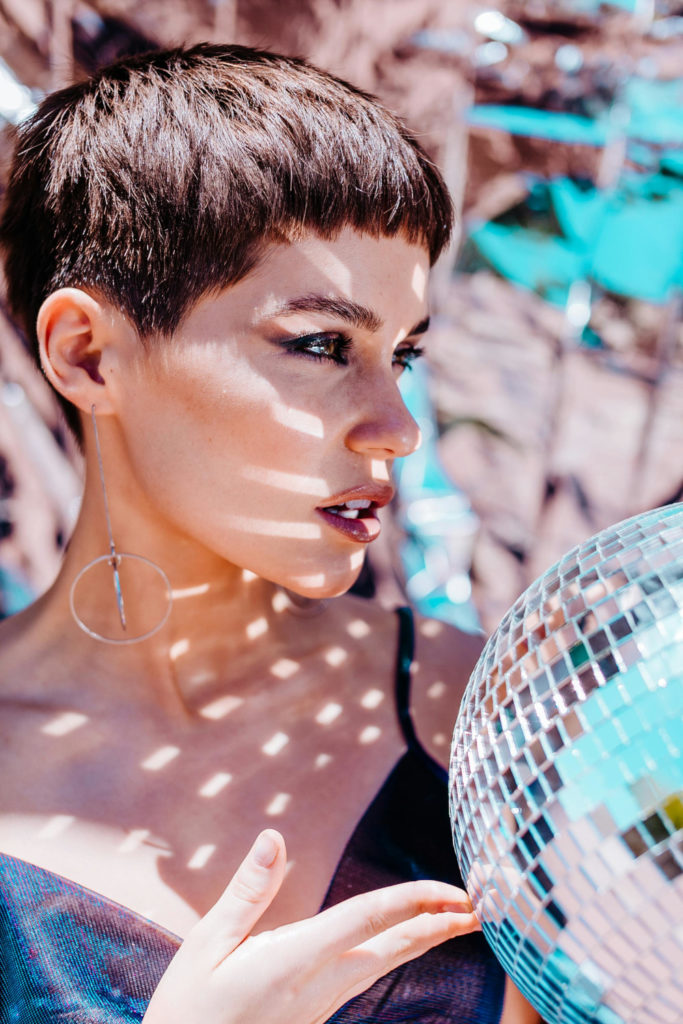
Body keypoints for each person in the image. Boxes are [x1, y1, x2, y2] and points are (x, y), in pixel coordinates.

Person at [0, 44, 540, 1023]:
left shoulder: (481, 712)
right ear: (88, 353)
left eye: (399, 354)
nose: (396, 426)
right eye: (322, 344)